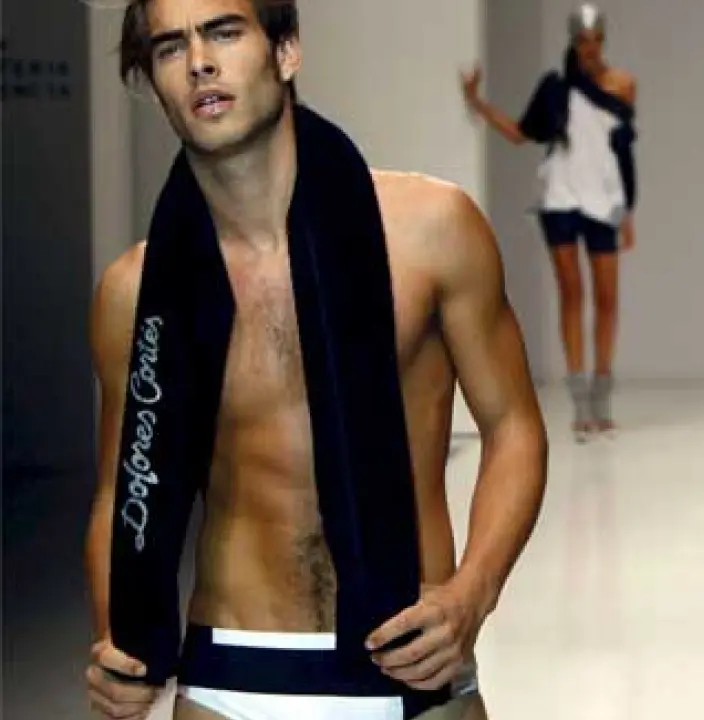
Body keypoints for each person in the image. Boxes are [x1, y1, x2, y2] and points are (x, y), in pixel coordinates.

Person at [83, 1, 549, 718]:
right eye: (170, 47)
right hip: (232, 671)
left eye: (224, 32)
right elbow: (124, 490)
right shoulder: (134, 291)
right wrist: (118, 640)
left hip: (413, 660)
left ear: (286, 51)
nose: (200, 62)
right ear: (151, 82)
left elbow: (513, 426)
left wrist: (472, 593)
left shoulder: (432, 231)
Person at [460, 3, 638, 443]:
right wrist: (477, 103)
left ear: (604, 41)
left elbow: (622, 151)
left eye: (595, 40)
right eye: (583, 40)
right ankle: (581, 405)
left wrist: (627, 211)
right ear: (573, 42)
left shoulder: (623, 84)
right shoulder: (556, 87)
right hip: (560, 198)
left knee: (608, 299)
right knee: (572, 294)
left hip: (603, 202)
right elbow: (522, 134)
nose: (589, 47)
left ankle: (602, 399)